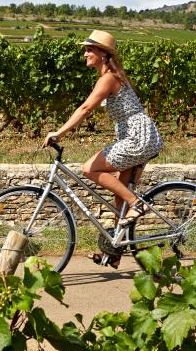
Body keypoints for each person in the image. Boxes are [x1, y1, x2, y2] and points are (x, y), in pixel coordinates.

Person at [42, 30, 163, 265]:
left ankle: (136, 203)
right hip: (136, 135)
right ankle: (115, 253)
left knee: (90, 169)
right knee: (119, 191)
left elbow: (86, 108)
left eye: (90, 49)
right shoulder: (111, 76)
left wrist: (59, 132)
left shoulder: (108, 78)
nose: (85, 53)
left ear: (103, 54)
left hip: (138, 137)